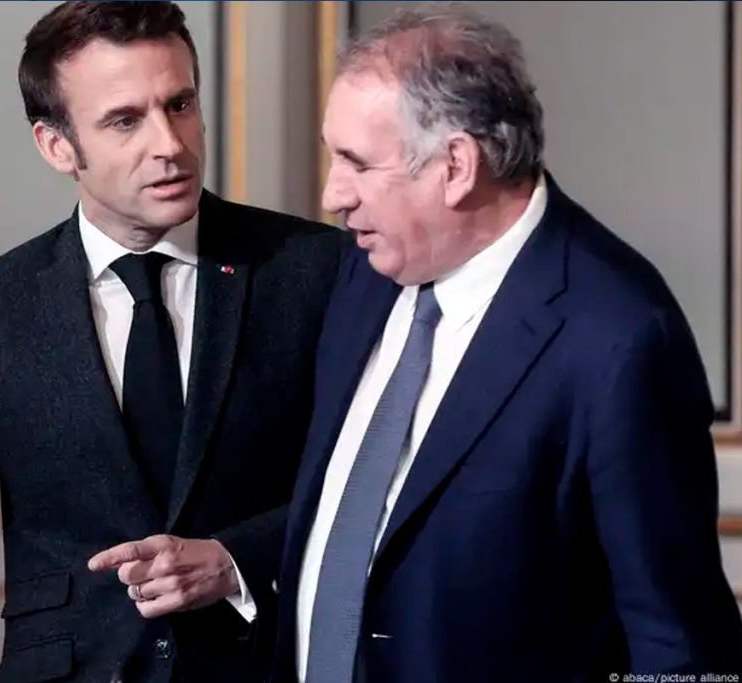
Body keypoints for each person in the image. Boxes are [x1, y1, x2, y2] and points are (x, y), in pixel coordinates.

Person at [0, 3, 348, 682]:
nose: (169, 143)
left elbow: (374, 485)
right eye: (125, 121)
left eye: (179, 104)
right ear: (57, 146)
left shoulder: (314, 269)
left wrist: (236, 557)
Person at [273, 4, 742, 682]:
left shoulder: (619, 339)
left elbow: (679, 647)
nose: (331, 196)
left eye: (356, 162)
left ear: (456, 166)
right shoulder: (365, 272)